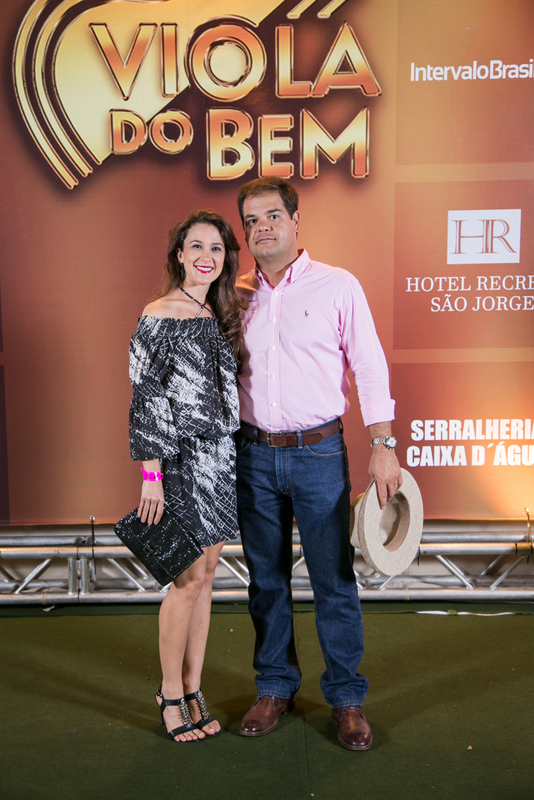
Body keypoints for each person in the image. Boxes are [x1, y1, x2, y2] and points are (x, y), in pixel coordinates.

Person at [234, 177, 402, 751]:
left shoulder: (338, 285)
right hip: (253, 455)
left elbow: (369, 364)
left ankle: (347, 699)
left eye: (272, 216)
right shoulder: (234, 295)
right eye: (252, 220)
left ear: (295, 221)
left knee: (333, 579)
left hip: (321, 454)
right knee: (266, 580)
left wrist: (384, 443)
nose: (263, 228)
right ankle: (274, 687)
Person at [128, 210, 245, 742]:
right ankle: (170, 694)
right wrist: (151, 474)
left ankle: (194, 688)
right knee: (186, 580)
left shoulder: (216, 311)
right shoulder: (159, 313)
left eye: (216, 249)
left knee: (208, 577)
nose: (206, 257)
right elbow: (146, 396)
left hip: (220, 459)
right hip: (178, 462)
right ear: (179, 254)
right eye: (196, 247)